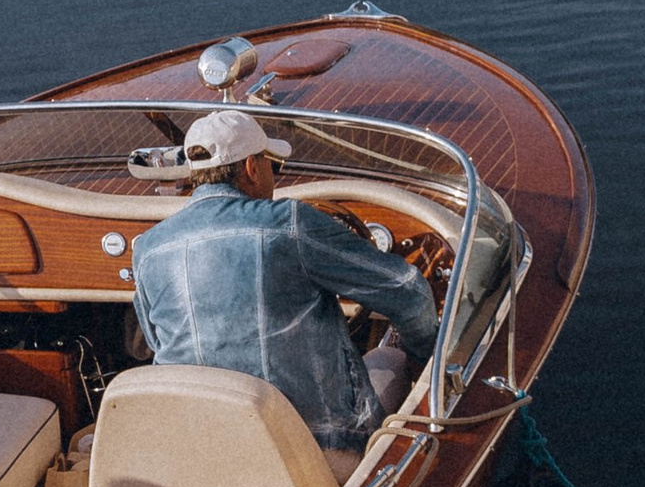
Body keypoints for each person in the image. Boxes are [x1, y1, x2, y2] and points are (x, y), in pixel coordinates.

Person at [129, 109, 438, 457]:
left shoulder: (148, 248)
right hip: (316, 447)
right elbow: (409, 292)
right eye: (273, 166)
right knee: (389, 358)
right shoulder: (289, 225)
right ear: (251, 167)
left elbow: (158, 341)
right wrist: (423, 355)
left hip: (205, 446)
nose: (274, 178)